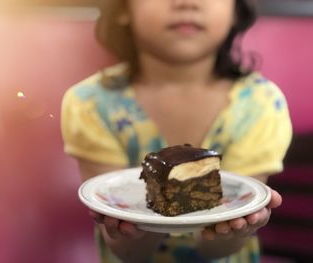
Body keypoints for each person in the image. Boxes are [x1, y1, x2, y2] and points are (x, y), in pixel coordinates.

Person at [61, 0, 292, 262]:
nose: (187, 2)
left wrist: (232, 232)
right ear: (124, 9)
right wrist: (131, 231)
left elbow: (224, 239)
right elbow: (123, 245)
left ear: (236, 11)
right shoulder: (91, 103)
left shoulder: (259, 102)